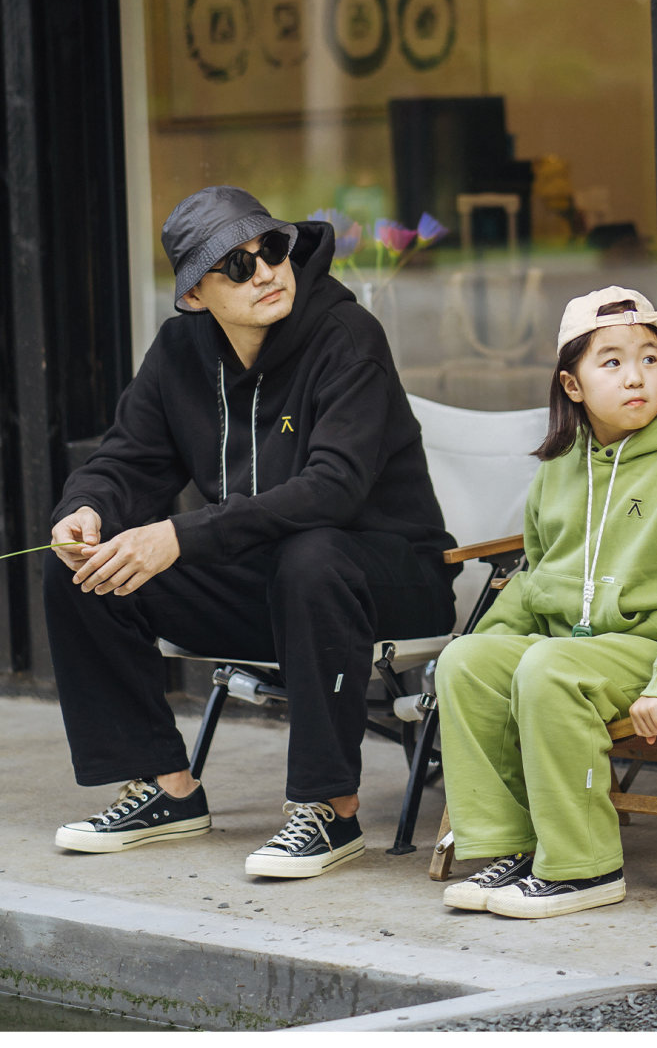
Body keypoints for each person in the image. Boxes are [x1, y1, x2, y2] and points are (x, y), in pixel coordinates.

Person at [44, 185, 457, 879]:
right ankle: (165, 787)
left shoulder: (347, 337)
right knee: (83, 568)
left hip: (390, 579)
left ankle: (331, 808)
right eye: (237, 265)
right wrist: (84, 508)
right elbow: (127, 461)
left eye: (272, 249)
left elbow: (333, 489)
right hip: (269, 587)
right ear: (194, 294)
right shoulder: (180, 352)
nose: (265, 271)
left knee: (311, 554)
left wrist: (179, 535)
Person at [435, 285, 657, 918]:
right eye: (612, 361)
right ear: (573, 385)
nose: (636, 376)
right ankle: (516, 847)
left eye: (650, 359)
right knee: (465, 662)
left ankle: (586, 869)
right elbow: (537, 578)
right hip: (571, 650)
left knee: (547, 668)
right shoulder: (559, 470)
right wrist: (487, 646)